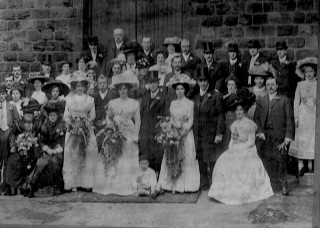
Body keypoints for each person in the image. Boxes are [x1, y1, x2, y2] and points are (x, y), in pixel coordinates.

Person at [208, 89, 273, 205]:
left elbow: (251, 142)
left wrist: (240, 149)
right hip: (235, 149)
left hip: (247, 149)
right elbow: (232, 141)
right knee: (223, 160)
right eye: (236, 110)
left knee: (240, 162)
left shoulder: (249, 124)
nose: (238, 112)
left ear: (244, 111)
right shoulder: (234, 124)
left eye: (240, 110)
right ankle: (221, 193)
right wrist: (232, 148)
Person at [93, 71, 140, 196]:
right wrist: (111, 127)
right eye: (120, 89)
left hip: (129, 132)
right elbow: (108, 118)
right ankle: (112, 183)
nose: (123, 91)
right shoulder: (113, 103)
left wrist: (135, 134)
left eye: (125, 89)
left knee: (128, 151)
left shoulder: (134, 103)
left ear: (128, 90)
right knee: (114, 152)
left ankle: (129, 183)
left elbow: (138, 121)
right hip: (116, 132)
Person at [158, 76, 200, 193]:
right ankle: (170, 184)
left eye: (182, 89)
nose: (179, 91)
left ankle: (186, 185)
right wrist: (171, 130)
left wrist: (183, 131)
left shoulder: (190, 103)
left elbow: (190, 120)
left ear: (185, 90)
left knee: (185, 157)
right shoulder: (172, 103)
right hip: (174, 134)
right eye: (177, 89)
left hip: (185, 134)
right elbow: (171, 119)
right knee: (172, 156)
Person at [254, 77, 295, 195]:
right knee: (265, 158)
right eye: (268, 85)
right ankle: (267, 184)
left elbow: (289, 119)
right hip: (264, 135)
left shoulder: (284, 100)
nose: (270, 87)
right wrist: (260, 132)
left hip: (279, 135)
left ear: (277, 86)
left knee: (280, 159)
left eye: (272, 84)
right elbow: (256, 118)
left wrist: (288, 137)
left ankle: (284, 185)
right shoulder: (261, 100)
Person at [20, 102, 66, 197]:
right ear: (48, 116)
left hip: (58, 151)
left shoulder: (61, 126)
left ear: (57, 116)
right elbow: (41, 141)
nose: (52, 117)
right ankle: (30, 185)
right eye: (51, 115)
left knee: (54, 162)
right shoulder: (44, 126)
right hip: (47, 150)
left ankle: (54, 188)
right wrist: (47, 148)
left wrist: (57, 149)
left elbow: (63, 141)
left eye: (54, 115)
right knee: (41, 162)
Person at [63, 76, 98, 191]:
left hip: (85, 129)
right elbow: (65, 116)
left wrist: (84, 122)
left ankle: (86, 183)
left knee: (87, 153)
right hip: (73, 130)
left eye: (82, 86)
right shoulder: (69, 99)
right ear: (74, 87)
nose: (80, 88)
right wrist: (73, 124)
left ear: (85, 87)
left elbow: (92, 115)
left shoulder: (90, 100)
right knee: (72, 153)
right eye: (77, 86)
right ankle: (73, 183)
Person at [193, 67, 225, 190]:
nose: (203, 83)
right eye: (200, 80)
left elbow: (221, 115)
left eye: (205, 80)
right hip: (198, 134)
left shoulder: (216, 96)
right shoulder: (195, 96)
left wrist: (219, 133)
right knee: (200, 159)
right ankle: (204, 182)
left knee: (211, 159)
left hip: (210, 133)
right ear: (197, 82)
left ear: (208, 81)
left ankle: (214, 182)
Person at [1, 99, 41, 196]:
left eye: (31, 114)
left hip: (33, 149)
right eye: (27, 113)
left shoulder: (38, 123)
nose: (29, 116)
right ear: (23, 114)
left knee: (37, 159)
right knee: (12, 160)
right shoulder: (18, 124)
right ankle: (12, 187)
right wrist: (14, 145)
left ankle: (29, 185)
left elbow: (42, 136)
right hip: (20, 149)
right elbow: (12, 136)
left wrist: (37, 141)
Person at [289, 57, 317, 176]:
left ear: (314, 72)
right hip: (303, 114)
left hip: (314, 115)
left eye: (311, 71)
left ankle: (311, 164)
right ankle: (301, 164)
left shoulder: (317, 84)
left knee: (312, 138)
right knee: (302, 138)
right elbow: (296, 100)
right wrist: (296, 117)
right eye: (306, 72)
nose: (308, 74)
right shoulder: (300, 85)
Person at [139, 71, 166, 174]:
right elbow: (142, 114)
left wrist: (161, 131)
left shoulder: (163, 97)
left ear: (158, 83)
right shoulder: (145, 98)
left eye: (154, 82)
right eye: (150, 83)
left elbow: (164, 115)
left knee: (157, 156)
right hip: (146, 131)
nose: (152, 85)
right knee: (146, 154)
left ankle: (157, 178)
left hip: (157, 131)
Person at [0, 84, 20, 183]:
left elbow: (17, 120)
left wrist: (12, 128)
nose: (1, 96)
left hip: (8, 133)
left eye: (3, 94)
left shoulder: (11, 106)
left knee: (7, 159)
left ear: (6, 95)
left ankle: (6, 183)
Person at [220, 76, 239, 151]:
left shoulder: (239, 96)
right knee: (226, 144)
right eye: (229, 85)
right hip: (226, 122)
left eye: (232, 85)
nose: (230, 87)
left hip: (236, 120)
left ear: (236, 86)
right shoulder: (222, 96)